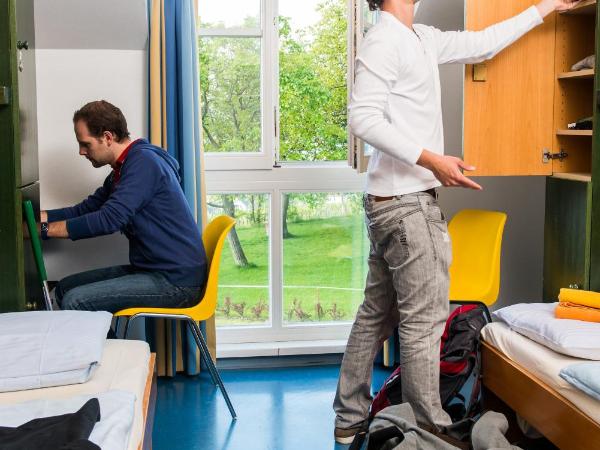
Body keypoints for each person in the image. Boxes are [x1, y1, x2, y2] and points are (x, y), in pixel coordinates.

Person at [333, 0, 581, 444]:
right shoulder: (384, 38)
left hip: (393, 201)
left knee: (376, 314)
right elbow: (361, 117)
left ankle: (350, 417)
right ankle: (428, 430)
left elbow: (483, 45)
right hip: (407, 206)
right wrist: (432, 160)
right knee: (423, 322)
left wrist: (547, 7)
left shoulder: (420, 38)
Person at [41, 100, 207, 313]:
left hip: (176, 280)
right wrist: (36, 218)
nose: (81, 152)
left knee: (76, 300)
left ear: (107, 137)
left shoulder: (144, 163)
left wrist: (43, 231)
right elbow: (85, 210)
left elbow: (110, 219)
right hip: (151, 270)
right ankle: (103, 345)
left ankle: (106, 348)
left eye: (86, 144)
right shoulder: (123, 168)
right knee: (64, 289)